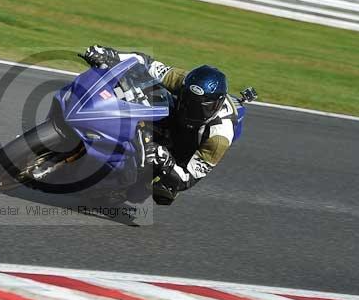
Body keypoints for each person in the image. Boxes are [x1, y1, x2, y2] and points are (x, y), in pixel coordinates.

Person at [80, 44, 242, 205]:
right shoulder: (182, 80)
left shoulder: (218, 138)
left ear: (217, 104)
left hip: (193, 140)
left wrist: (165, 159)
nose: (191, 110)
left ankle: (124, 191)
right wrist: (111, 55)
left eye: (199, 107)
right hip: (174, 115)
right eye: (188, 101)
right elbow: (145, 62)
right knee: (145, 89)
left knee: (162, 190)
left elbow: (187, 179)